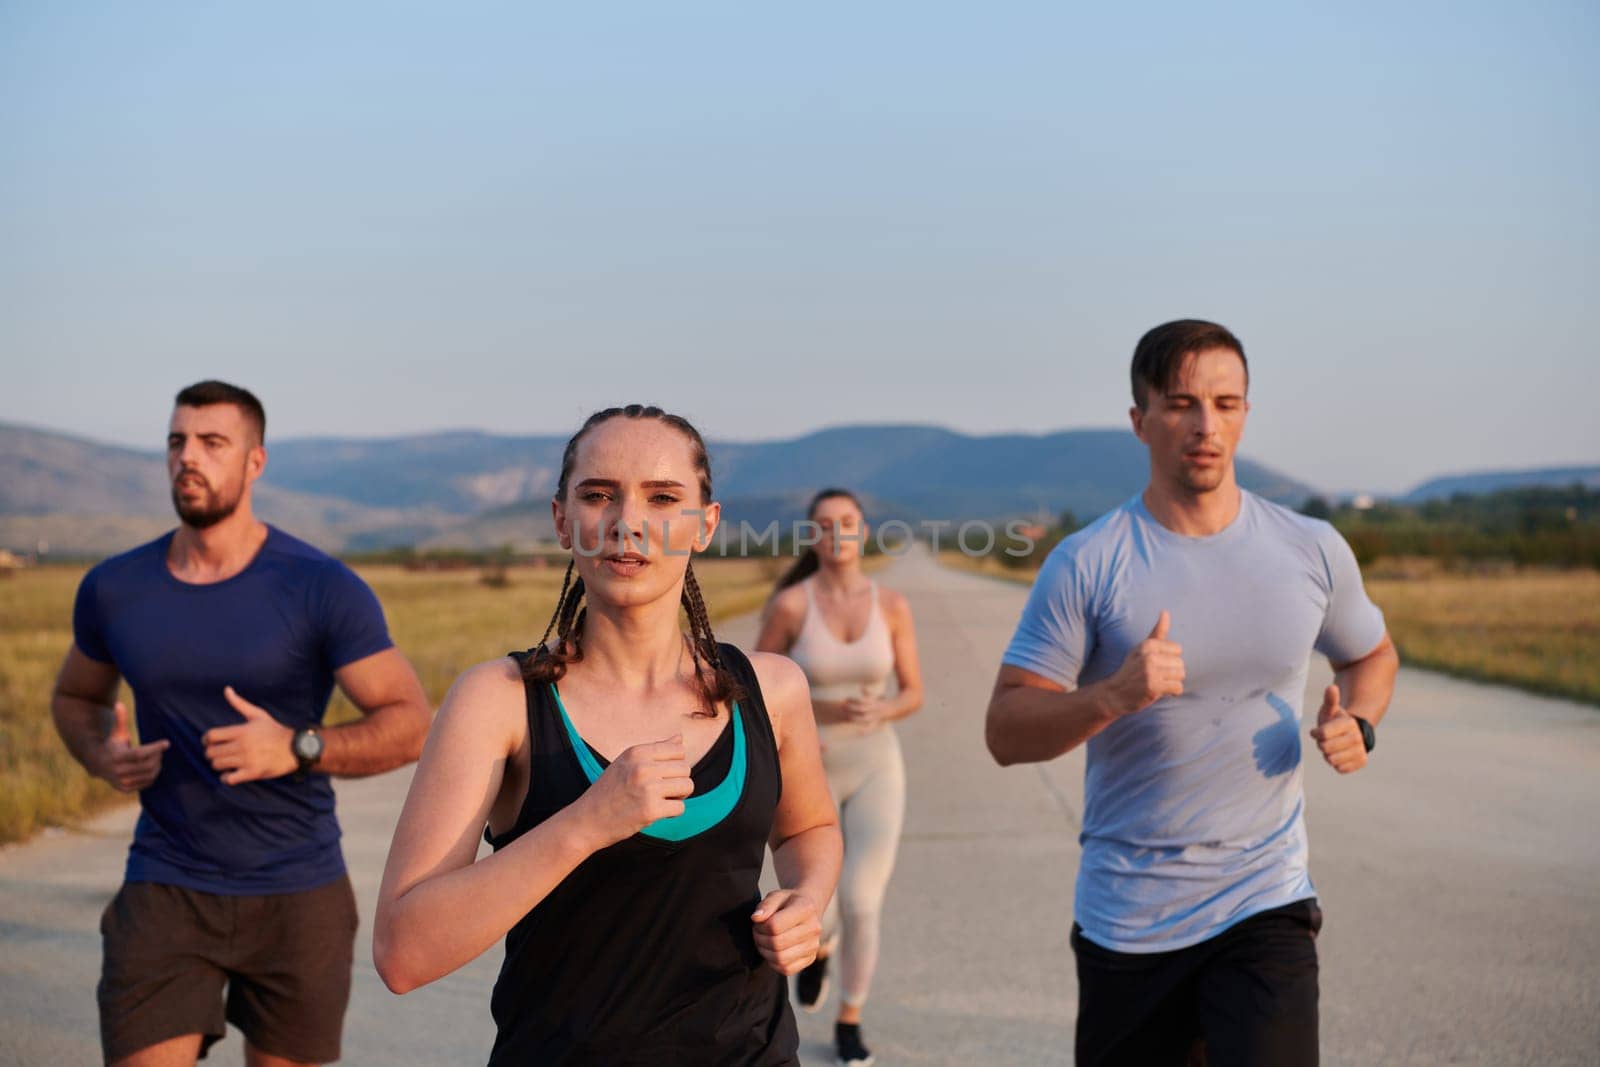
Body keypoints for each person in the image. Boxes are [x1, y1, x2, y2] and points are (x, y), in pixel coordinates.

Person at [373, 404, 843, 1065]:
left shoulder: (771, 689)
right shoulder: (500, 701)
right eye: (598, 495)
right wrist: (588, 822)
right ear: (563, 520)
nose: (627, 523)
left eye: (663, 497)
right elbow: (403, 952)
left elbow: (808, 830)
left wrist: (806, 899)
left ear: (705, 524)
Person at [985, 320, 1400, 1066]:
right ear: (1140, 420)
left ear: (1246, 412)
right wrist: (1111, 695)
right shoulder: (1088, 562)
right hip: (1129, 918)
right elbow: (1006, 729)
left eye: (1226, 402)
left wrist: (1360, 722)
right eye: (1181, 403)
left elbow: (1371, 655)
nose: (1206, 425)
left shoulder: (1310, 548)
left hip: (1264, 896)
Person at [51, 380, 432, 1067]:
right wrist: (99, 756)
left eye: (211, 442)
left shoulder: (319, 584)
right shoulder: (116, 587)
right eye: (176, 441)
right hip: (166, 883)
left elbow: (411, 722)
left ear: (254, 461)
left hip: (298, 890)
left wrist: (297, 745)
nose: (187, 457)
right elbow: (76, 699)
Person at [755, 488, 924, 1067]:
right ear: (812, 536)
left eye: (847, 523)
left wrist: (885, 710)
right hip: (812, 769)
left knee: (861, 899)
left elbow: (914, 692)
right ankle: (820, 946)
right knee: (818, 905)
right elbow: (754, 688)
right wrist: (802, 725)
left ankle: (850, 1018)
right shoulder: (791, 606)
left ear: (863, 530)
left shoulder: (893, 605)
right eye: (825, 525)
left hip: (876, 762)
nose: (837, 534)